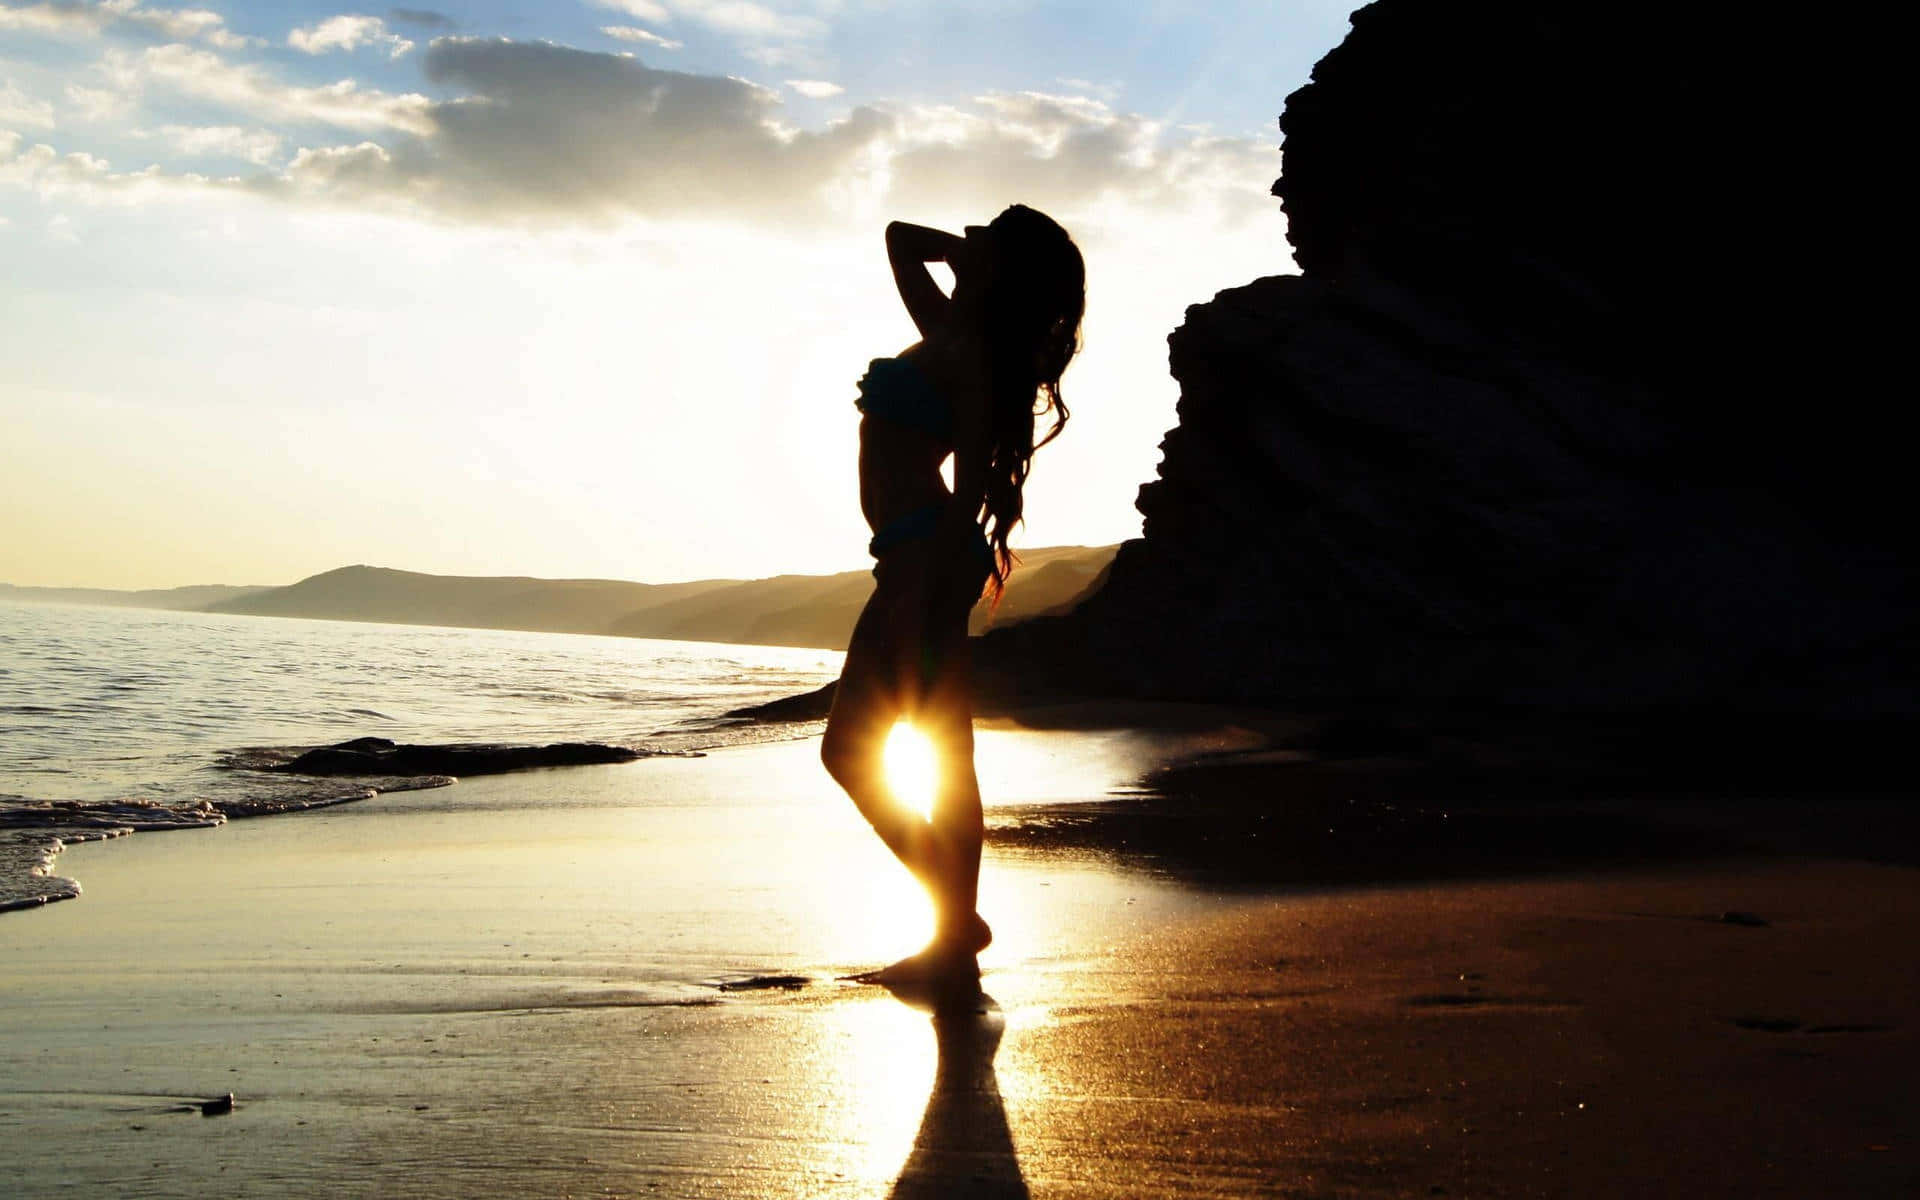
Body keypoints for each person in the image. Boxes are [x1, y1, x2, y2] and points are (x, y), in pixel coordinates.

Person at [821, 205, 1085, 984]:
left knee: (892, 750)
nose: (969, 235)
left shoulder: (974, 357)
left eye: (988, 235)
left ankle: (953, 929)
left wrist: (949, 572)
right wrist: (979, 255)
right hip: (907, 558)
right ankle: (954, 926)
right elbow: (900, 237)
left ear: (1005, 270)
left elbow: (971, 480)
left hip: (925, 562)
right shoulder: (951, 332)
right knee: (894, 750)